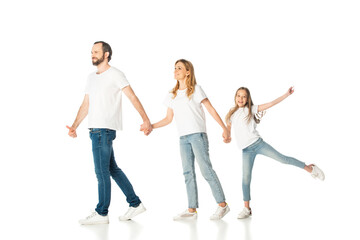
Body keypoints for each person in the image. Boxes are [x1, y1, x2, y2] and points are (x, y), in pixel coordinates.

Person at [66, 41, 152, 225]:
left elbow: (132, 96)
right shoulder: (91, 77)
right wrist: (75, 126)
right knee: (112, 169)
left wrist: (145, 119)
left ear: (106, 54)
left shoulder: (116, 74)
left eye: (96, 51)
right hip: (95, 130)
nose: (92, 54)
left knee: (101, 172)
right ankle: (135, 203)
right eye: (91, 52)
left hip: (103, 130)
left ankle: (102, 213)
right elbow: (85, 104)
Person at [225, 86, 325, 219]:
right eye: (238, 96)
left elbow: (271, 103)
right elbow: (228, 129)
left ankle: (311, 169)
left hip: (258, 144)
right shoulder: (232, 113)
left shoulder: (251, 109)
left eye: (244, 96)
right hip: (246, 150)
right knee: (245, 179)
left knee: (283, 159)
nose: (241, 99)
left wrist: (286, 94)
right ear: (235, 97)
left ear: (248, 99)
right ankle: (246, 208)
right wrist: (226, 136)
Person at [151, 59, 230, 220]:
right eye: (174, 68)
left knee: (206, 170)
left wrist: (224, 128)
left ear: (188, 72)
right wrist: (151, 126)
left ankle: (223, 205)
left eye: (179, 68)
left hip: (198, 135)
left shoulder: (196, 90)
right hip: (183, 138)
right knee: (188, 173)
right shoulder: (171, 94)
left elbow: (211, 110)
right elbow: (168, 119)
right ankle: (191, 210)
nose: (175, 70)